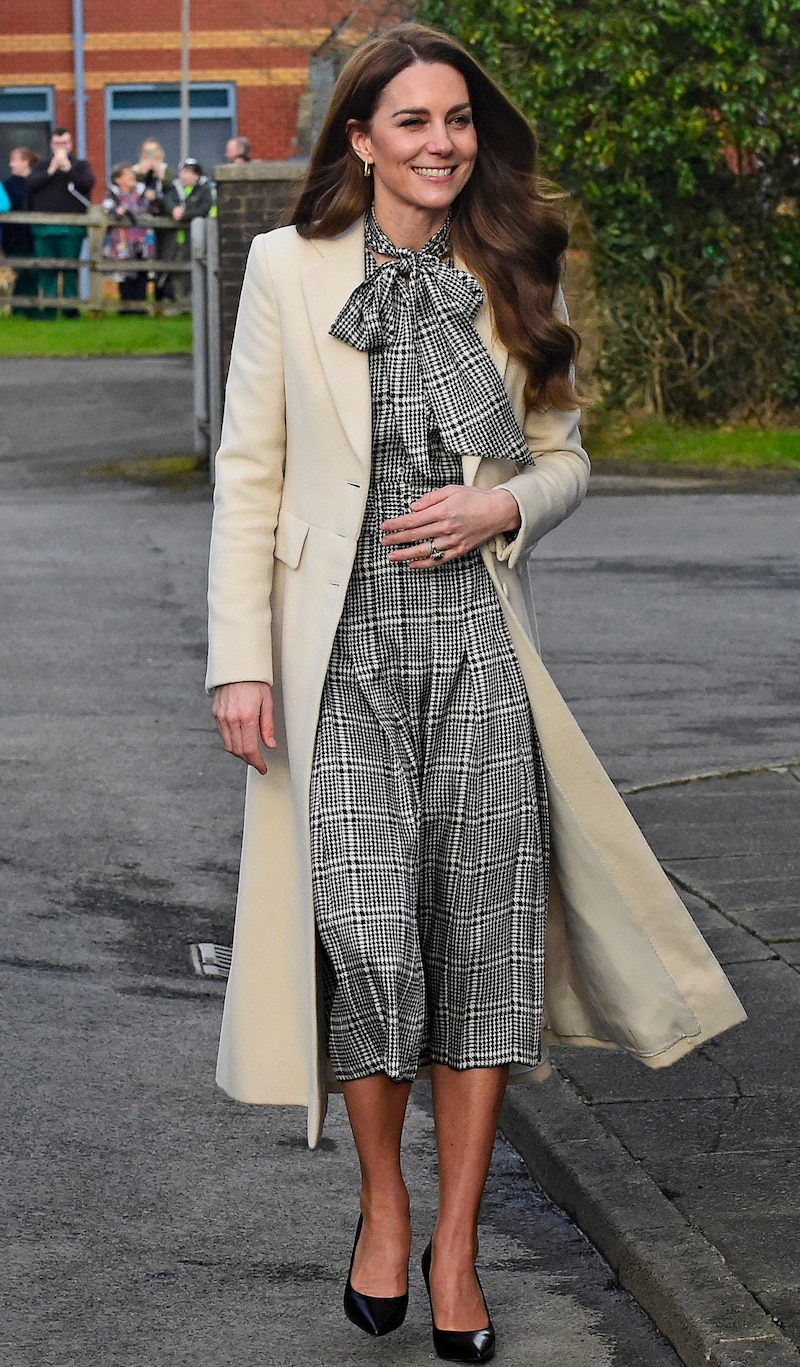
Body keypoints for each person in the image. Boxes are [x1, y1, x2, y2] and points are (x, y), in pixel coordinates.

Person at [206, 23, 745, 1363]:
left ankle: (454, 1243)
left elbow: (566, 456)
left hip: (479, 656)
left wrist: (505, 497)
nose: (441, 142)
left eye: (457, 119)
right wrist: (238, 660)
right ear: (360, 139)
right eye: (413, 122)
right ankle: (383, 1203)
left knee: (483, 953)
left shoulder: (514, 261)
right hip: (338, 661)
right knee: (373, 947)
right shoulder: (287, 266)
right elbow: (247, 471)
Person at [26, 127, 95, 318]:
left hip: (71, 229)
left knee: (70, 270)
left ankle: (70, 309)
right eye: (57, 144)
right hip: (44, 229)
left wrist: (69, 170)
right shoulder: (41, 166)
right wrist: (50, 171)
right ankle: (49, 308)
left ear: (71, 145)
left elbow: (87, 184)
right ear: (51, 145)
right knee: (47, 270)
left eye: (64, 143)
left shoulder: (80, 166)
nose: (61, 147)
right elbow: (31, 184)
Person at [159, 158, 214, 306]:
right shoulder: (173, 188)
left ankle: (192, 302)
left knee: (193, 269)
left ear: (197, 175)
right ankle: (176, 301)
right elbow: (166, 202)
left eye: (189, 172)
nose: (184, 176)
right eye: (183, 172)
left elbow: (204, 208)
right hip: (174, 239)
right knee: (174, 268)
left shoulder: (204, 190)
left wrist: (185, 214)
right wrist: (173, 210)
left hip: (194, 238)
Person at [101, 163, 155, 310]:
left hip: (142, 239)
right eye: (127, 174)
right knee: (125, 272)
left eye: (132, 174)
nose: (131, 177)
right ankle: (126, 307)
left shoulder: (141, 190)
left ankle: (141, 306)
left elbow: (152, 207)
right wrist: (117, 211)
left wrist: (152, 199)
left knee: (141, 270)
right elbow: (106, 209)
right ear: (118, 179)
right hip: (122, 240)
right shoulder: (112, 193)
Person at [2, 148, 41, 316]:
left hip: (34, 234)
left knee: (33, 271)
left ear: (26, 161)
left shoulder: (38, 182)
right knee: (18, 270)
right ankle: (18, 309)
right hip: (13, 235)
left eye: (14, 160)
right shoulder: (8, 184)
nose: (11, 164)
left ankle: (31, 309)